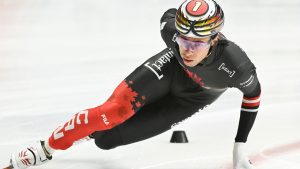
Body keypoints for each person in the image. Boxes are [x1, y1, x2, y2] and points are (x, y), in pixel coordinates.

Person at [5, 0, 261, 169]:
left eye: (197, 44)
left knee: (106, 141)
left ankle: (91, 134)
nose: (188, 51)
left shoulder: (236, 66)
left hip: (194, 98)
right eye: (183, 41)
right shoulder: (171, 33)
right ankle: (45, 148)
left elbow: (253, 96)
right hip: (170, 70)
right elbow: (169, 16)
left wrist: (240, 145)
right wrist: (47, 148)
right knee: (114, 111)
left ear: (215, 40)